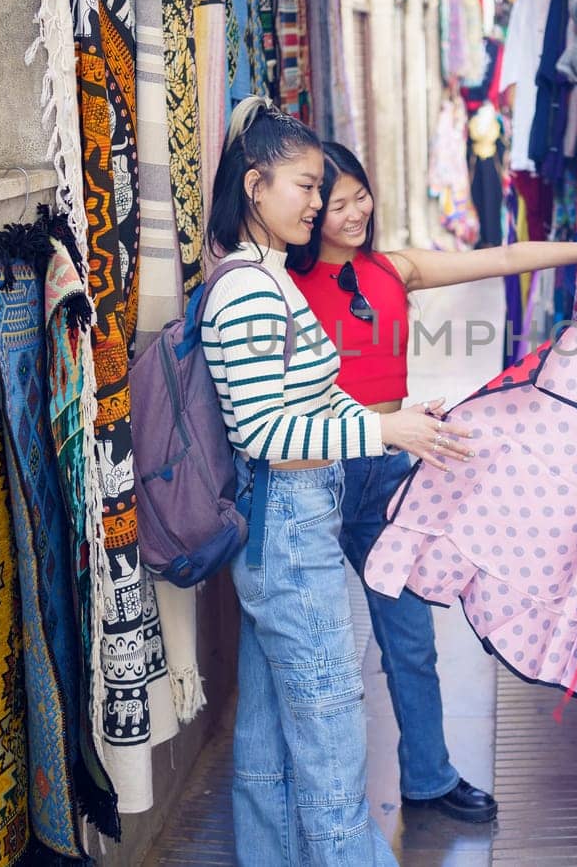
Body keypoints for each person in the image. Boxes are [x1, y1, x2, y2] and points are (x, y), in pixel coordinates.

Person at [287, 141, 577, 823]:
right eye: (338, 202)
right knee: (316, 644)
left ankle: (428, 777)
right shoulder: (281, 284)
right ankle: (313, 797)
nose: (356, 210)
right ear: (307, 209)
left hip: (391, 473)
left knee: (410, 638)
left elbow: (503, 258)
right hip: (311, 473)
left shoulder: (394, 267)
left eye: (362, 194)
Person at [201, 97, 475, 866]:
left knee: (265, 738)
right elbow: (263, 434)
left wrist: (394, 410)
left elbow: (298, 399)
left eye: (324, 188)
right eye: (305, 186)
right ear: (255, 186)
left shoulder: (262, 274)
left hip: (284, 527)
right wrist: (384, 429)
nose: (319, 203)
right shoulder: (252, 287)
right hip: (287, 527)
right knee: (329, 733)